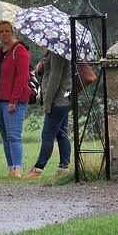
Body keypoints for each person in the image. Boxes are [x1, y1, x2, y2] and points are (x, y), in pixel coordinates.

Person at [0, 20, 31, 178]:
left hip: (13, 101)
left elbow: (22, 77)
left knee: (14, 136)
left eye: (7, 31)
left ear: (12, 32)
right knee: (5, 136)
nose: (4, 34)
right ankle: (10, 168)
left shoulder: (20, 50)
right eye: (1, 32)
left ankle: (18, 169)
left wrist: (13, 100)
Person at [22, 49, 73, 179]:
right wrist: (42, 70)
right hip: (62, 99)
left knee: (47, 135)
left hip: (58, 100)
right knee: (62, 135)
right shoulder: (53, 51)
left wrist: (48, 102)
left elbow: (55, 78)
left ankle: (38, 170)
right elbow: (52, 73)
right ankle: (63, 169)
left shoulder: (58, 52)